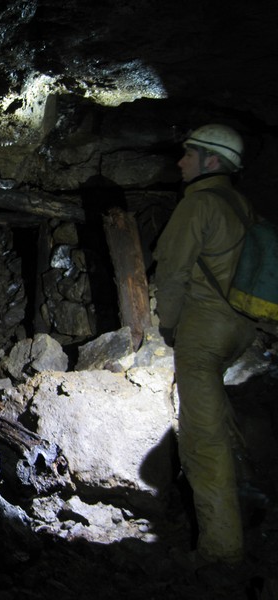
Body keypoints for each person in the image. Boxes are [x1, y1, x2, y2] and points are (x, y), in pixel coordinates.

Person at [153, 123, 256, 567]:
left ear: (211, 161)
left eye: (188, 154)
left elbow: (173, 272)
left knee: (202, 439)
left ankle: (221, 548)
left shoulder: (198, 204)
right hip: (240, 327)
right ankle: (249, 501)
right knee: (217, 416)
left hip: (204, 329)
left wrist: (169, 324)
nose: (180, 162)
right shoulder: (241, 204)